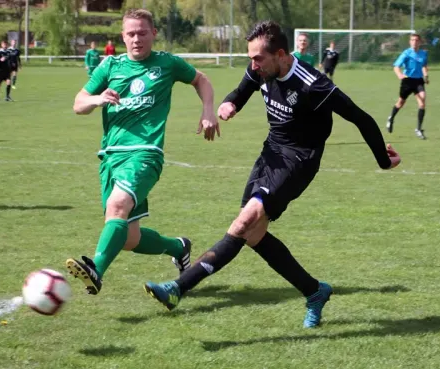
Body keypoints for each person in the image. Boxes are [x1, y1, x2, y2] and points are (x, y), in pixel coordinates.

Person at [144, 21, 401, 328]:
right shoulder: (260, 69)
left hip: (300, 161)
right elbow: (241, 91)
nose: (252, 65)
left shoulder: (312, 85)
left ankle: (178, 288)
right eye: (250, 58)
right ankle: (314, 291)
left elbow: (361, 118)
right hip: (271, 154)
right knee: (253, 234)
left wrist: (383, 161)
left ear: (280, 54)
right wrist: (229, 104)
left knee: (243, 223)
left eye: (258, 59)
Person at [65, 8, 219, 296]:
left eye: (142, 33)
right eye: (131, 34)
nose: (137, 39)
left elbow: (202, 79)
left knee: (117, 207)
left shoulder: (167, 63)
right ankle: (178, 247)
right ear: (123, 37)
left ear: (153, 34)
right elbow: (78, 103)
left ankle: (96, 269)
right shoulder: (110, 66)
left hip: (145, 153)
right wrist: (98, 99)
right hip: (111, 156)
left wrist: (208, 111)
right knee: (128, 237)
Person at [386, 34, 429, 139]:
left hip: (418, 80)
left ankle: (418, 129)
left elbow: (423, 65)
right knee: (401, 103)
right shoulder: (406, 53)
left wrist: (426, 75)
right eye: (412, 40)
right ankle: (391, 118)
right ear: (410, 42)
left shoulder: (423, 53)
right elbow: (396, 66)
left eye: (416, 40)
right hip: (407, 80)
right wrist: (400, 75)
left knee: (422, 101)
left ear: (420, 42)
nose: (414, 42)